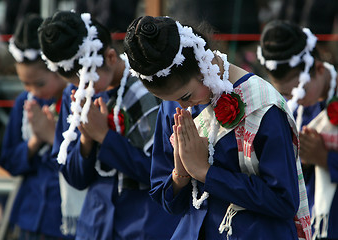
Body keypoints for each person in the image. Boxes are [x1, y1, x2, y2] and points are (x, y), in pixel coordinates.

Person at [123, 15, 311, 240]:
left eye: (186, 96)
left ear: (203, 66)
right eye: (170, 100)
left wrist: (205, 172)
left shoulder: (262, 105)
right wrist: (181, 172)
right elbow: (168, 202)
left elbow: (283, 200)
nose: (181, 106)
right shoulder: (173, 107)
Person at [38, 11, 181, 240]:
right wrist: (86, 140)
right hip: (95, 224)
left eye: (88, 81)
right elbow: (74, 178)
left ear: (111, 58)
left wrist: (105, 136)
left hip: (145, 224)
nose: (84, 91)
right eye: (75, 84)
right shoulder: (73, 95)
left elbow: (162, 171)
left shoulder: (147, 89)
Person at [257, 20, 338, 239]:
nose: (291, 100)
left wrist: (325, 158)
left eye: (296, 92)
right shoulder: (286, 108)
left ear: (319, 69)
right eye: (284, 94)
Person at [0, 14, 72, 239]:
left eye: (39, 83)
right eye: (25, 83)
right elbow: (8, 160)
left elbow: (87, 165)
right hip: (29, 214)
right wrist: (34, 142)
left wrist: (52, 137)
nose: (33, 90)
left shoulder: (77, 101)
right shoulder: (25, 102)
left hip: (63, 218)